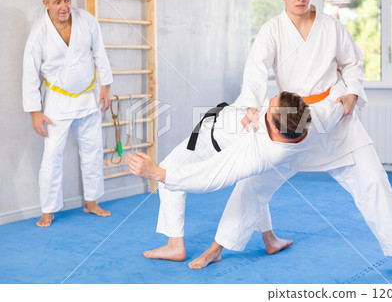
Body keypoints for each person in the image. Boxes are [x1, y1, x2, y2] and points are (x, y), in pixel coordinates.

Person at [188, 0, 392, 280]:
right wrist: (249, 105)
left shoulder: (331, 26)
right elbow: (256, 70)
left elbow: (352, 63)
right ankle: (218, 247)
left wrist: (352, 92)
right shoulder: (272, 30)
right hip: (291, 121)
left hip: (334, 116)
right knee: (252, 182)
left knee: (374, 181)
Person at [129, 80, 350, 261]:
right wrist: (347, 94)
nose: (270, 99)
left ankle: (174, 244)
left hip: (209, 142)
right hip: (217, 126)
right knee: (254, 187)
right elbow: (337, 104)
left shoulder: (255, 152)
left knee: (170, 167)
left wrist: (157, 173)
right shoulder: (311, 118)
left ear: (273, 127)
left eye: (269, 106)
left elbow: (209, 175)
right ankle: (270, 239)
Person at [22, 0, 113, 227]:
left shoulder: (87, 21)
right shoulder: (38, 33)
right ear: (46, 3)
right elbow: (30, 74)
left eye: (67, 0)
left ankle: (92, 201)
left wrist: (106, 87)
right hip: (57, 101)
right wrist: (34, 113)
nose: (64, 6)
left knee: (93, 149)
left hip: (89, 96)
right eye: (57, 2)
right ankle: (48, 209)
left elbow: (100, 53)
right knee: (52, 155)